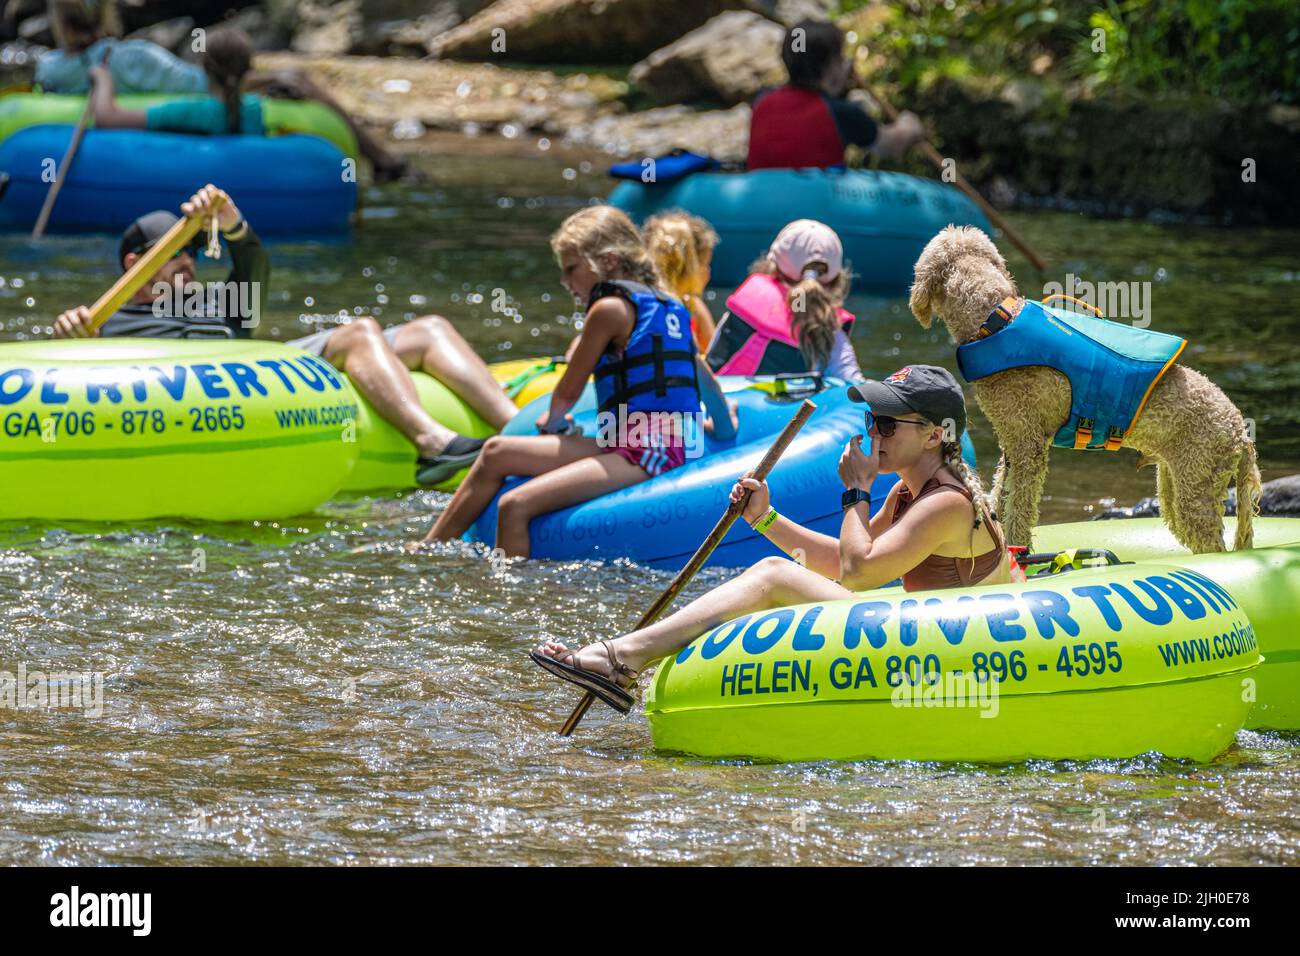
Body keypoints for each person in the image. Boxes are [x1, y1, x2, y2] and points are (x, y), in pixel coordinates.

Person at [531, 365, 1011, 713]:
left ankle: (620, 658)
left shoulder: (946, 502)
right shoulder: (910, 493)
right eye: (871, 421)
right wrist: (765, 518)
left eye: (886, 424)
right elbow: (840, 562)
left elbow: (858, 571)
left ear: (932, 437)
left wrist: (856, 492)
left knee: (771, 576)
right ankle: (623, 657)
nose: (873, 433)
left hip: (961, 649)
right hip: (926, 632)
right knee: (775, 573)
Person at [51, 185, 508, 485]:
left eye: (192, 251)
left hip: (258, 366)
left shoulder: (213, 302)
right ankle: (431, 441)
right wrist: (73, 341)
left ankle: (521, 428)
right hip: (220, 387)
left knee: (427, 328)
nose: (189, 261)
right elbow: (88, 379)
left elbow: (253, 268)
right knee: (361, 331)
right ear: (135, 264)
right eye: (175, 255)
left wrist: (230, 222)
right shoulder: (109, 323)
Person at [421, 206, 738, 559]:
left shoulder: (609, 310)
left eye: (571, 269)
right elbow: (705, 382)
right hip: (633, 439)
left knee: (514, 505)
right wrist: (723, 429)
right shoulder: (671, 307)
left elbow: (569, 391)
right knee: (495, 452)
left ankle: (510, 599)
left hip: (645, 452)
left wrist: (554, 423)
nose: (565, 282)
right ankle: (427, 547)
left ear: (609, 261)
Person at [39, 3, 406, 179]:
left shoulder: (56, 67)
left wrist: (103, 83)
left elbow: (107, 118)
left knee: (293, 76)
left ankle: (387, 161)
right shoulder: (251, 111)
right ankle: (386, 160)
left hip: (131, 75)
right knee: (295, 76)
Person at [747, 19, 925, 170]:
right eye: (839, 58)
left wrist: (839, 76)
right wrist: (908, 127)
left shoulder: (763, 101)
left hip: (763, 202)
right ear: (829, 69)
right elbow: (889, 144)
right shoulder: (840, 113)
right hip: (816, 204)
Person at [706, 219, 863, 382]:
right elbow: (851, 381)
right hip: (796, 406)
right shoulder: (831, 329)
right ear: (835, 279)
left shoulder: (744, 307)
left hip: (725, 401)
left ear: (773, 263)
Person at [643, 211, 718, 354]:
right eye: (705, 264)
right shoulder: (688, 310)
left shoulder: (693, 306)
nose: (708, 272)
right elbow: (714, 360)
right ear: (686, 267)